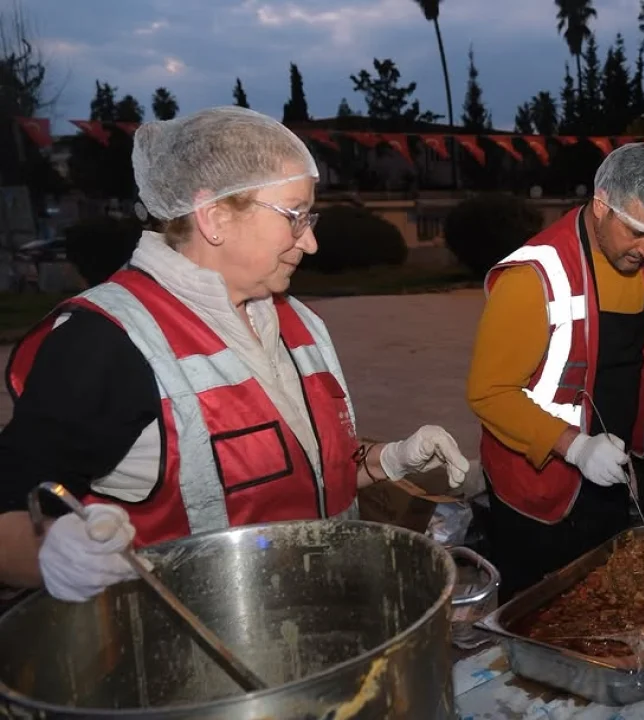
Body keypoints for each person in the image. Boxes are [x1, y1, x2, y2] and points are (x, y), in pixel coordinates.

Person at [0, 107, 469, 601]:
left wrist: (385, 460)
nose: (309, 242)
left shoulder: (297, 322)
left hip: (320, 626)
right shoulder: (105, 341)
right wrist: (47, 552)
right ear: (215, 216)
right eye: (295, 216)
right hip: (189, 660)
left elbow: (299, 474)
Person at [467, 143, 644, 601]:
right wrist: (575, 447)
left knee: (604, 598)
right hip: (542, 489)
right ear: (601, 205)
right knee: (543, 610)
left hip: (610, 472)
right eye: (636, 232)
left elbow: (638, 330)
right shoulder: (533, 277)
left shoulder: (638, 256)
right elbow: (488, 394)